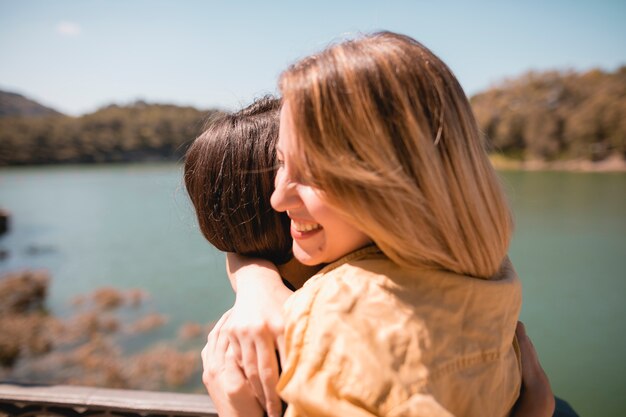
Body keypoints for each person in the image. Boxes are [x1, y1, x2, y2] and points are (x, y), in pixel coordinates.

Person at [210, 31, 530, 417]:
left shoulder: (337, 320)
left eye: (313, 173)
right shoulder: (492, 274)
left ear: (394, 181)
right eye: (281, 162)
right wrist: (253, 279)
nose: (278, 198)